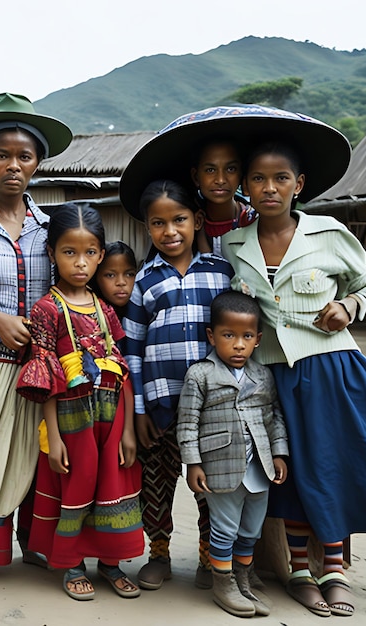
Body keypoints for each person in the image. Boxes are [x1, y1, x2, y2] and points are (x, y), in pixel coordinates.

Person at [221, 134, 366, 617]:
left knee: (332, 465)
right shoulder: (232, 243)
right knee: (289, 471)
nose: (270, 188)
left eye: (281, 178)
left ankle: (334, 570)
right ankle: (301, 572)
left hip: (330, 369)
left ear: (299, 184)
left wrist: (350, 305)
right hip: (269, 377)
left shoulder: (328, 232)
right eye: (260, 179)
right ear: (246, 186)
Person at [0, 92, 72, 566]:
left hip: (38, 373)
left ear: (37, 163)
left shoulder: (52, 227)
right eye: (1, 155)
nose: (12, 165)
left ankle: (35, 548)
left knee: (28, 462)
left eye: (23, 156)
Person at [16, 203, 143, 600]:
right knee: (77, 486)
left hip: (111, 416)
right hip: (71, 419)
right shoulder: (47, 309)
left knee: (111, 485)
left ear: (101, 255)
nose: (81, 262)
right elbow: (45, 376)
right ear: (52, 253)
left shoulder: (105, 309)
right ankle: (71, 563)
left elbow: (120, 371)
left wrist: (127, 432)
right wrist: (53, 437)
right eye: (69, 252)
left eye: (90, 253)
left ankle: (110, 563)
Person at [121, 179, 234, 590]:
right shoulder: (145, 282)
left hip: (213, 405)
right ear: (147, 227)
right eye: (158, 223)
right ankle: (160, 552)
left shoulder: (223, 273)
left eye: (179, 220)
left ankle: (209, 555)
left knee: (211, 484)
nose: (169, 231)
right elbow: (132, 349)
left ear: (198, 220)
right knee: (158, 480)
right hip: (161, 404)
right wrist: (138, 412)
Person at [177, 290, 288, 617]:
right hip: (219, 468)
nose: (238, 344)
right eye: (229, 335)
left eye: (247, 336)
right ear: (212, 336)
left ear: (258, 339)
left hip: (259, 467)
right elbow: (188, 421)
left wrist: (279, 453)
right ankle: (222, 582)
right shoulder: (201, 374)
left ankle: (242, 578)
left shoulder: (262, 375)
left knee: (251, 529)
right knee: (224, 528)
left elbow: (275, 416)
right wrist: (193, 463)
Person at [190, 137, 256, 255]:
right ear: (196, 177)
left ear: (241, 174)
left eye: (230, 169)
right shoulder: (186, 225)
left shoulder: (254, 221)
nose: (220, 180)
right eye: (210, 170)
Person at [95, 240, 138, 323]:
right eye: (110, 275)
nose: (121, 282)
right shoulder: (90, 316)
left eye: (129, 274)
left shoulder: (143, 311)